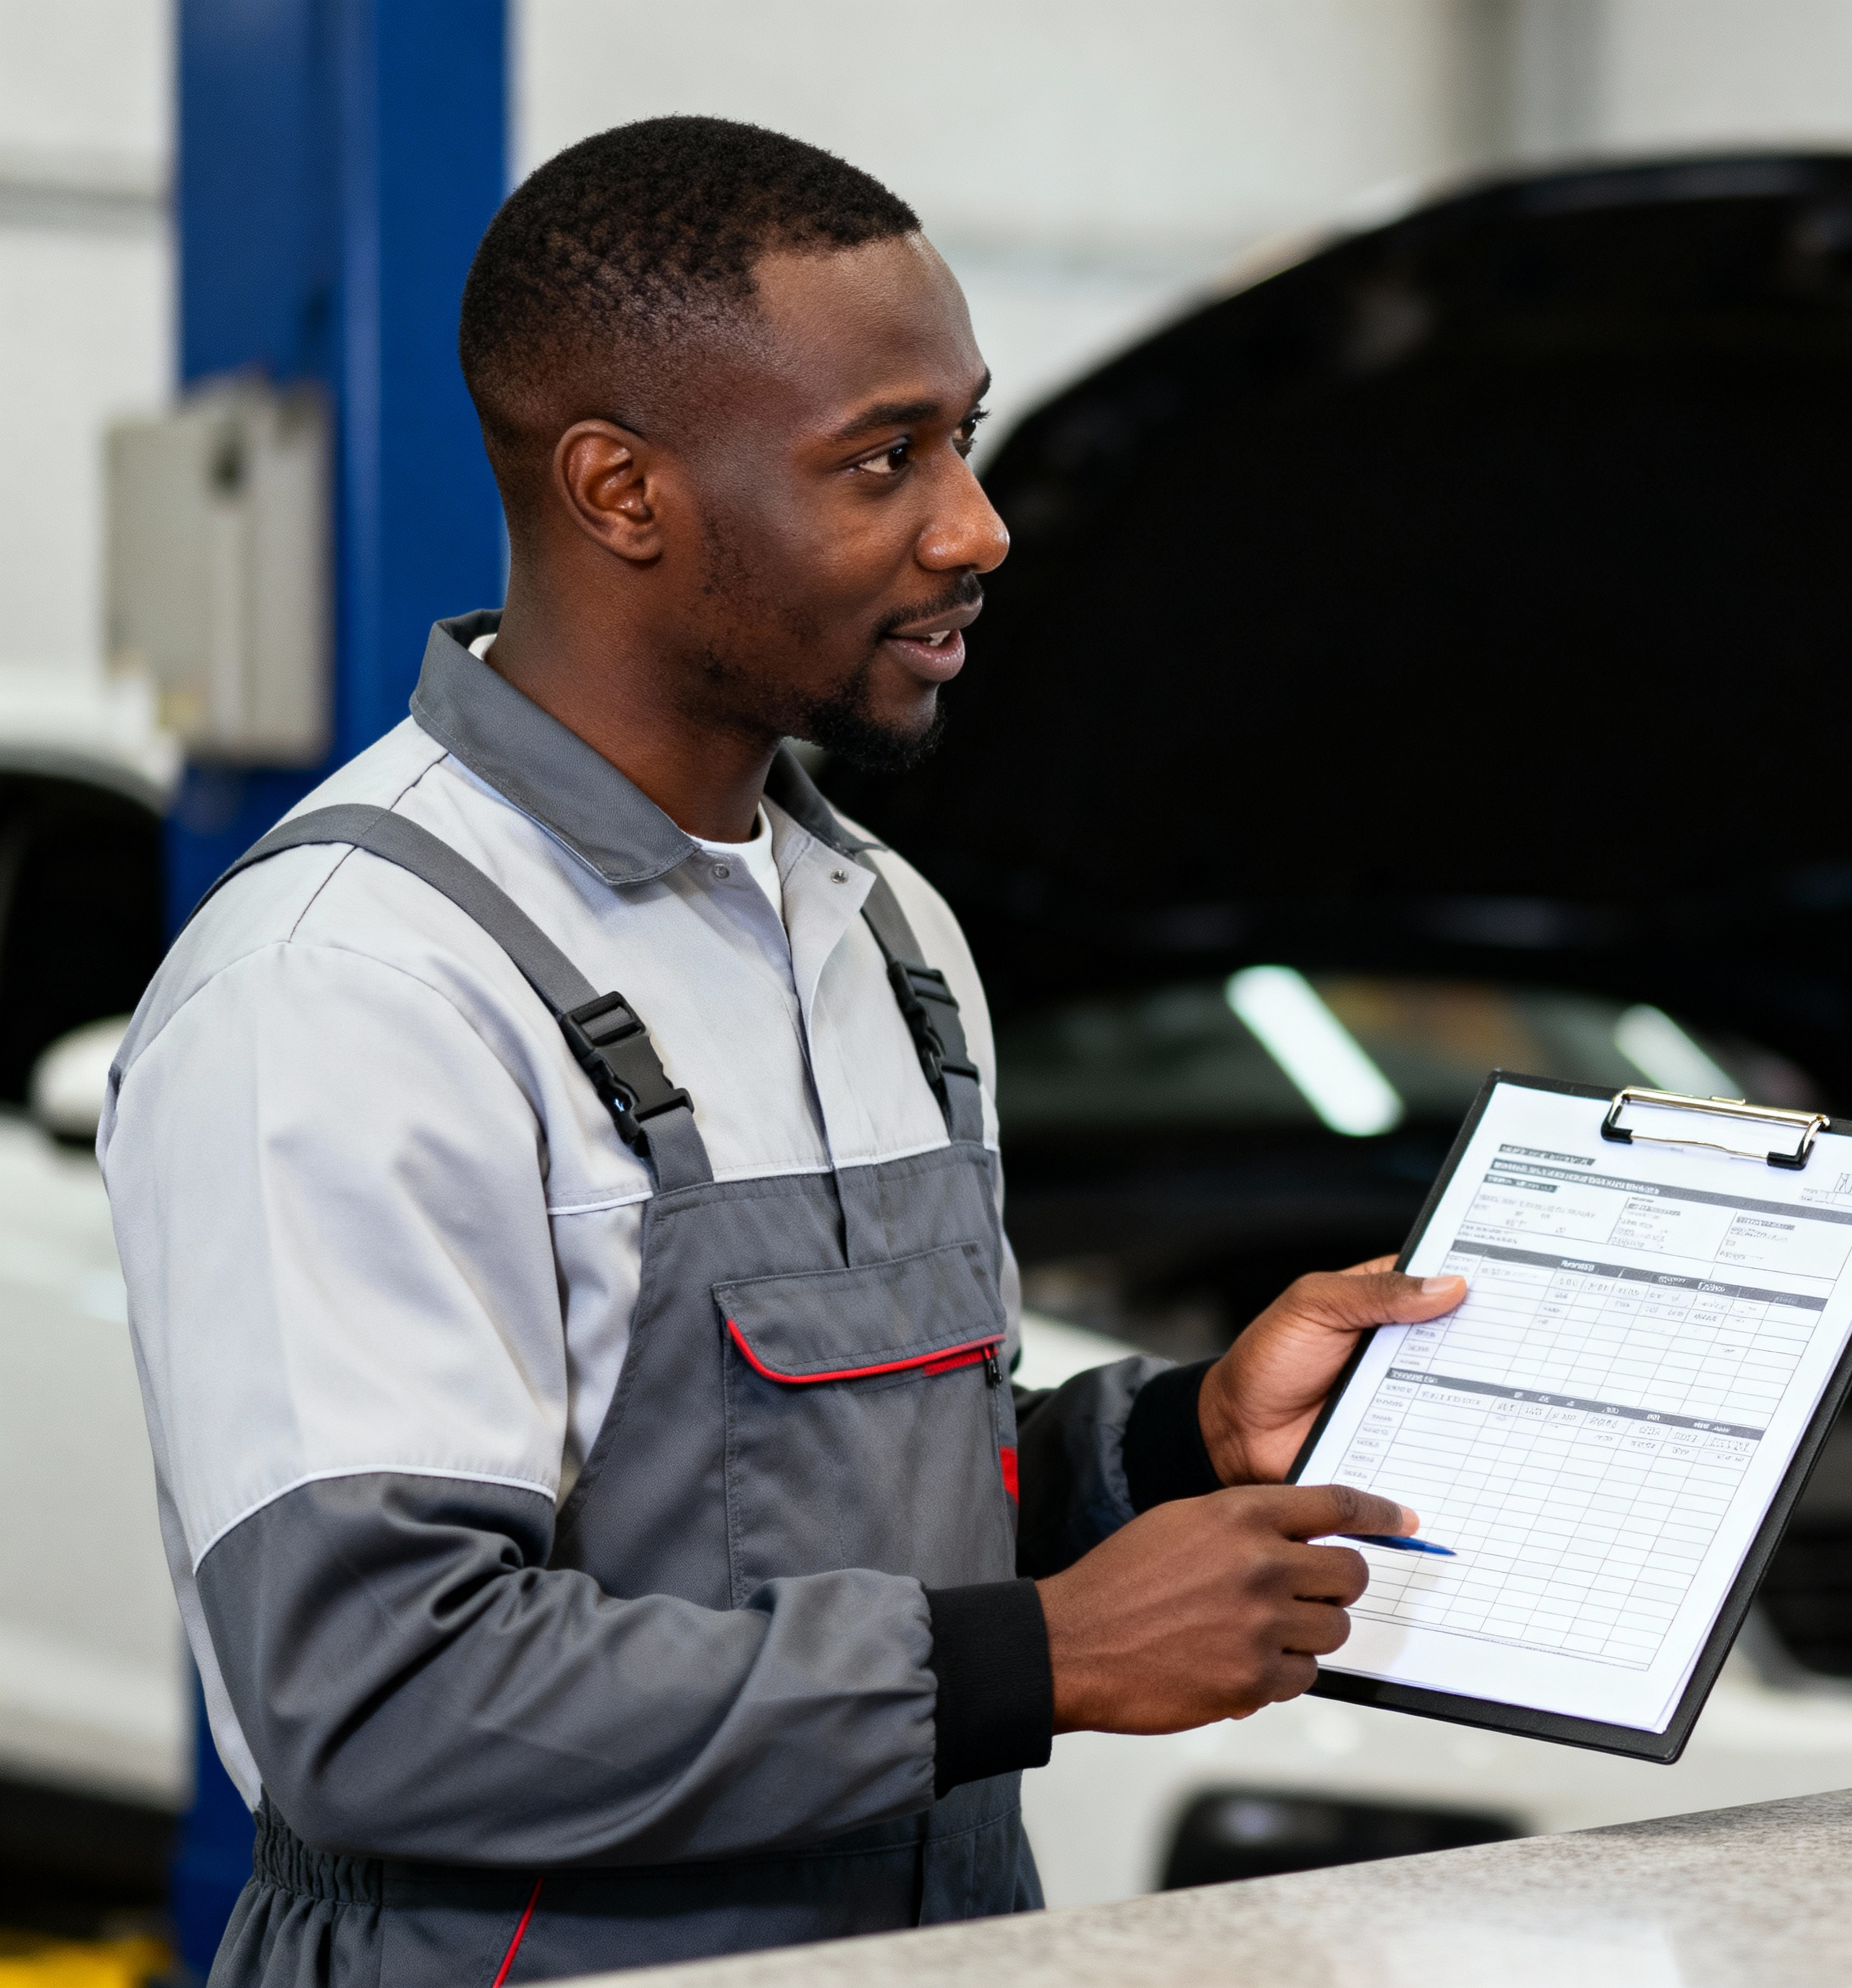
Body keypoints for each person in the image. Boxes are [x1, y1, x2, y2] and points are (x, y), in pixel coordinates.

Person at [101, 116, 1454, 1983]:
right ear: (622, 492)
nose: (975, 527)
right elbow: (381, 1696)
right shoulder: (356, 987)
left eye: (964, 438)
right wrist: (1045, 1659)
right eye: (879, 459)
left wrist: (1175, 1436)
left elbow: (843, 1492)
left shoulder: (880, 929)